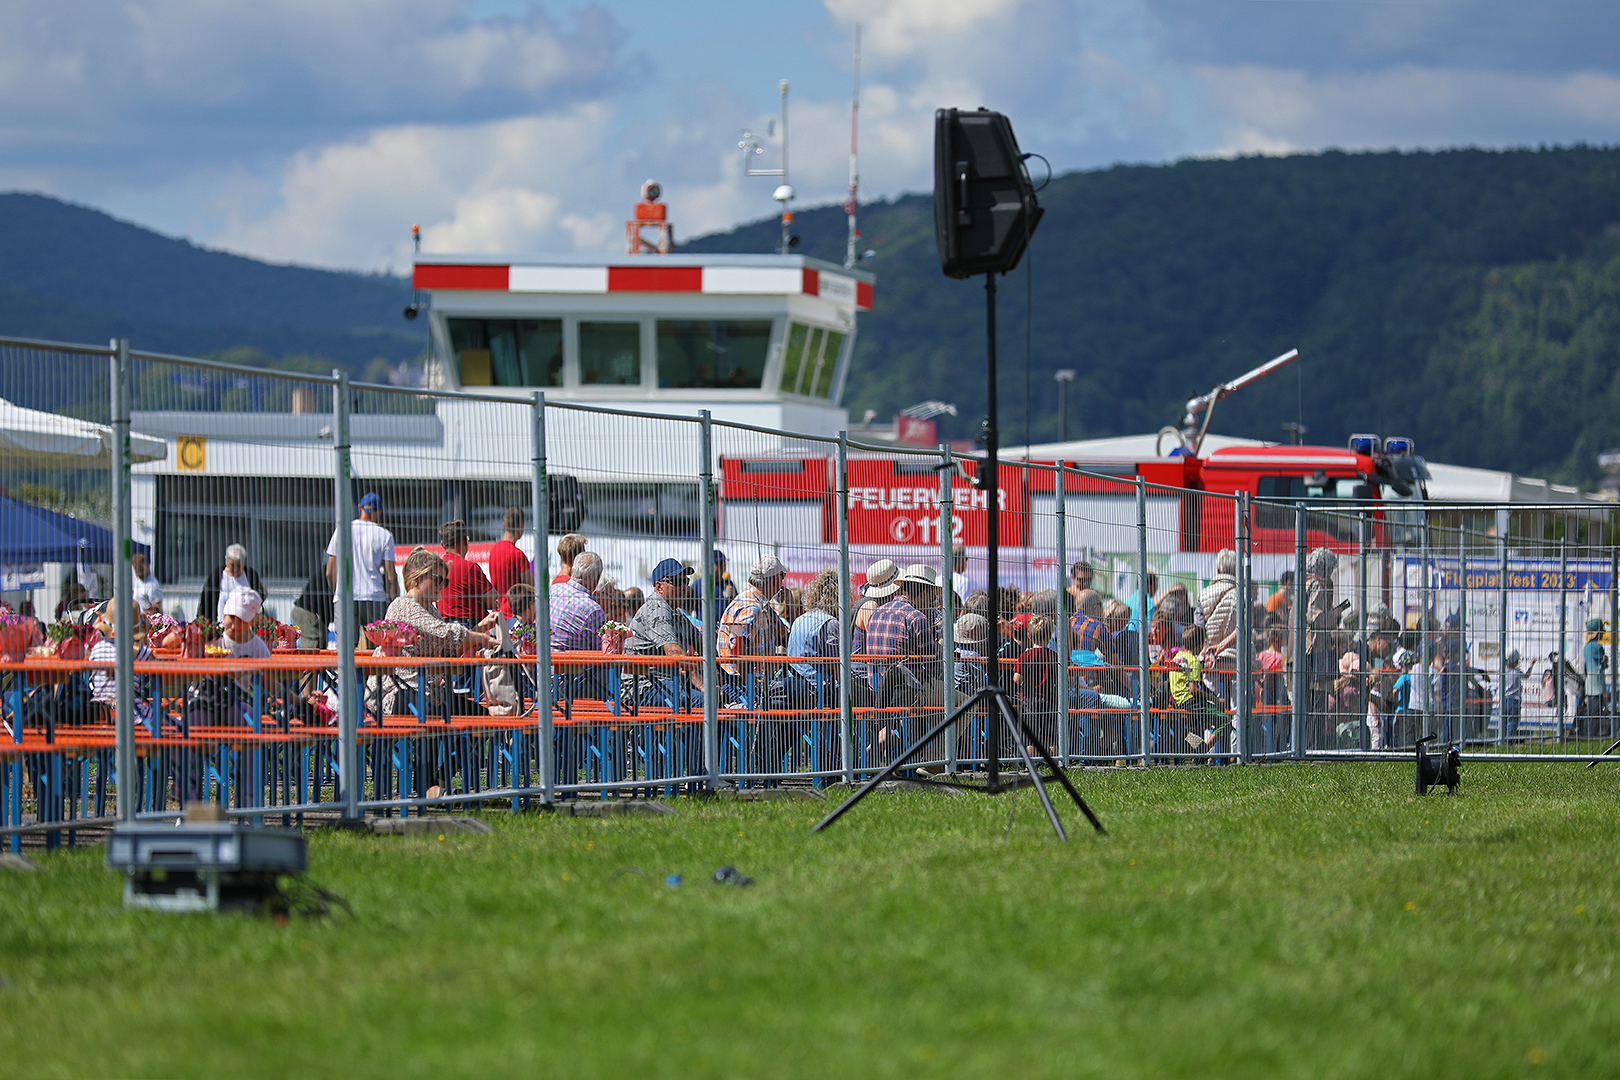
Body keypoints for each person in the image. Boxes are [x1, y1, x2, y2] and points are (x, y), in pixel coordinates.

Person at [369, 548, 498, 718]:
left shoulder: (431, 610)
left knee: (480, 717)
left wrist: (480, 628)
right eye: (437, 579)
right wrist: (481, 636)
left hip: (427, 692)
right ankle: (450, 742)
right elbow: (445, 633)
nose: (441, 586)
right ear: (417, 577)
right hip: (396, 693)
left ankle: (455, 743)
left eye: (444, 582)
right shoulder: (403, 605)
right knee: (439, 719)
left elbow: (450, 648)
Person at [623, 557, 703, 708]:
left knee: (728, 695)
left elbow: (703, 644)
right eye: (677, 583)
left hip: (668, 682)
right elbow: (675, 652)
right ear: (659, 587)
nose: (684, 587)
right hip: (642, 687)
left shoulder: (678, 613)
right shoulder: (656, 607)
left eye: (685, 582)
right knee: (702, 700)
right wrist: (705, 686)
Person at [718, 555, 790, 703]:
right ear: (775, 579)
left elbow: (785, 637)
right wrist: (752, 687)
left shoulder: (761, 605)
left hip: (751, 681)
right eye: (782, 576)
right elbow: (736, 647)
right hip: (742, 685)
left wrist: (789, 605)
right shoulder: (752, 607)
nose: (783, 581)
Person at [864, 564, 940, 695]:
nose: (932, 600)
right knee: (964, 702)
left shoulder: (876, 613)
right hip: (908, 692)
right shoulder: (916, 617)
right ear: (924, 593)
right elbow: (931, 663)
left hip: (876, 690)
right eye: (931, 595)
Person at [325, 492, 398, 627]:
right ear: (380, 511)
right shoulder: (385, 535)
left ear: (360, 507)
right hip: (374, 596)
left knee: (344, 646)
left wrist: (337, 591)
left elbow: (329, 571)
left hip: (345, 597)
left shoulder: (342, 530)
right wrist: (394, 600)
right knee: (378, 645)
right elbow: (390, 576)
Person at [551, 550, 611, 700]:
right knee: (612, 670)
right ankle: (610, 717)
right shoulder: (593, 610)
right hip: (570, 683)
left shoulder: (552, 591)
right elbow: (602, 653)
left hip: (542, 674)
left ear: (572, 570)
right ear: (596, 579)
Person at [784, 569, 841, 708]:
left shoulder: (799, 619)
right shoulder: (831, 623)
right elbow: (838, 665)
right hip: (819, 691)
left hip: (793, 687)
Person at [1197, 549, 1241, 701]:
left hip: (1210, 660)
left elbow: (1199, 629)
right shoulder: (1243, 594)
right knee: (1238, 709)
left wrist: (1209, 651)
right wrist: (1222, 646)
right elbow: (1243, 628)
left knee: (1214, 706)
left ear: (1218, 569)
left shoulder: (1204, 594)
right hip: (1236, 659)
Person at [437, 519, 497, 628]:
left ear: (442, 544)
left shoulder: (437, 568)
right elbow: (493, 601)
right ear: (465, 541)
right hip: (471, 627)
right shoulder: (470, 568)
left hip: (444, 627)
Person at [199, 543, 265, 624]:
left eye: (239, 565)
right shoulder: (215, 577)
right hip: (221, 626)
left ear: (244, 562)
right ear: (226, 561)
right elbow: (205, 602)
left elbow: (260, 597)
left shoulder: (251, 576)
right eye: (232, 565)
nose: (236, 569)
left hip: (247, 627)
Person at [488, 507, 533, 618]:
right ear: (521, 526)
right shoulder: (517, 554)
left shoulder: (494, 550)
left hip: (498, 613)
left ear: (504, 524)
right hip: (516, 614)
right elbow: (531, 586)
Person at [289, 561, 334, 651]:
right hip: (309, 613)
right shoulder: (336, 569)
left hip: (312, 613)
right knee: (311, 652)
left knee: (319, 648)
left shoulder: (333, 566)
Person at [1069, 589, 1112, 680]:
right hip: (1089, 682)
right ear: (1095, 608)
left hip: (1066, 682)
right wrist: (1129, 691)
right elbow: (1113, 660)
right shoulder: (1099, 626)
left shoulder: (1065, 624)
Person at [1582, 617, 1608, 737]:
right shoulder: (1598, 647)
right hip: (1597, 685)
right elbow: (1602, 666)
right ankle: (1592, 736)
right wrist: (1605, 660)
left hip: (1589, 685)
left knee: (1592, 713)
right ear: (1598, 631)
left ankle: (1590, 735)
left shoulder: (1587, 647)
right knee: (1596, 714)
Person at [1500, 649, 1524, 743]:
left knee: (1504, 721)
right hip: (1514, 700)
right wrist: (1531, 666)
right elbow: (1526, 676)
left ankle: (1501, 740)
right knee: (1512, 722)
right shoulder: (1517, 672)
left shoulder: (1503, 672)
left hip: (1504, 699)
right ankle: (1509, 742)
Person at [1125, 569, 1157, 635]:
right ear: (1149, 586)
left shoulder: (1127, 600)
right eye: (1156, 585)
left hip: (1124, 638)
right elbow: (1149, 627)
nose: (1156, 589)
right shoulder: (1149, 602)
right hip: (1138, 640)